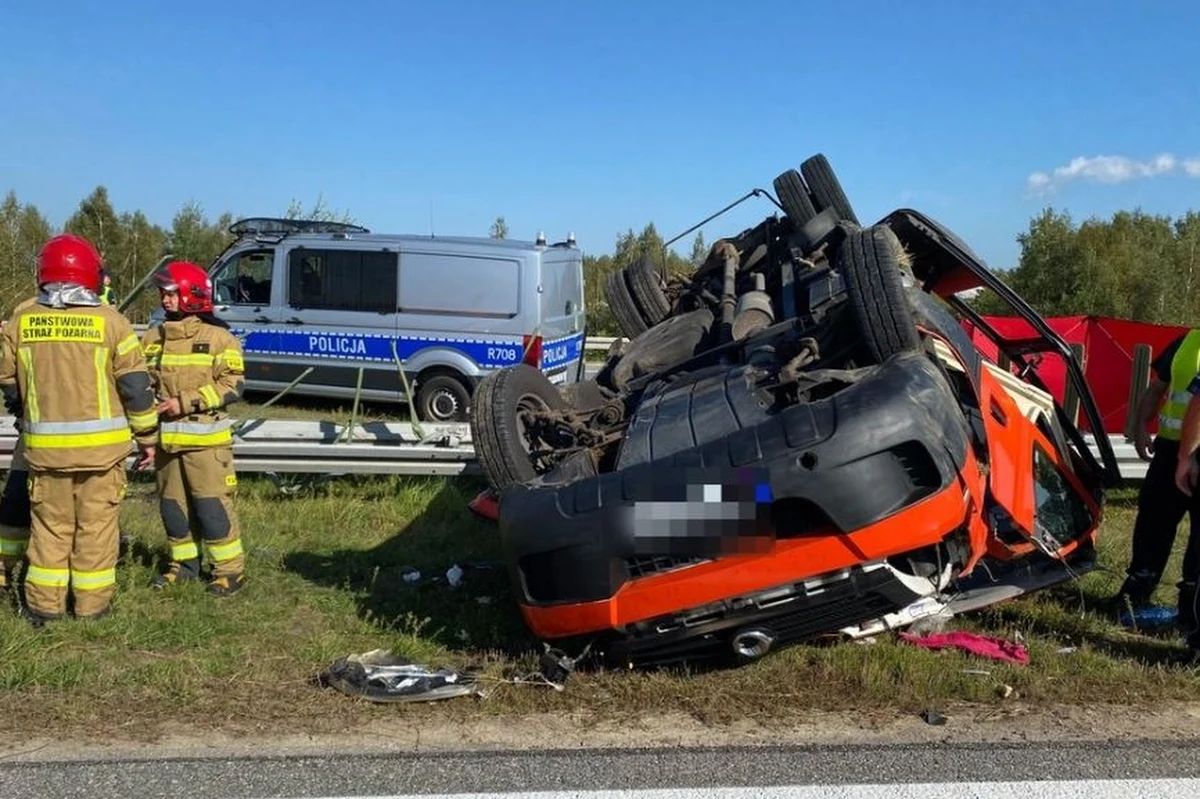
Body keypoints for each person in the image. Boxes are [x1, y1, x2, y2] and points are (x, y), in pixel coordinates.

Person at [0, 233, 158, 626]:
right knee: (96, 530)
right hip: (101, 457)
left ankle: (43, 608)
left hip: (45, 453)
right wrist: (148, 438)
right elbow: (136, 389)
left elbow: (7, 378)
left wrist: (25, 412)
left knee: (50, 530)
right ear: (91, 274)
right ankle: (91, 608)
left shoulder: (22, 317)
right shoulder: (113, 323)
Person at [142, 260, 247, 596]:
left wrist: (184, 403)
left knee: (212, 508)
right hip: (166, 444)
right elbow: (142, 384)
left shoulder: (219, 338)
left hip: (207, 444)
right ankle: (183, 566)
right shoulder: (152, 337)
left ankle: (229, 572)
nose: (165, 299)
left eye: (171, 293)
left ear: (192, 294)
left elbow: (233, 385)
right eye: (163, 293)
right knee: (173, 508)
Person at [1115, 329, 1200, 625]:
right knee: (1153, 524)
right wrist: (1140, 425)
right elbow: (1157, 388)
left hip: (1194, 454)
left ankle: (1190, 612)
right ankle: (1134, 596)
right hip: (1169, 451)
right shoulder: (1187, 341)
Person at [0, 296, 40, 593]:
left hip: (69, 436)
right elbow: (9, 372)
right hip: (34, 432)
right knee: (16, 498)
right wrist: (20, 408)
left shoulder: (99, 315)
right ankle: (5, 568)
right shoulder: (26, 311)